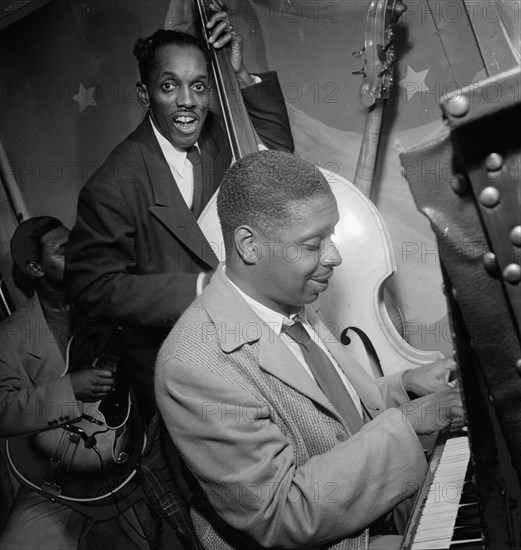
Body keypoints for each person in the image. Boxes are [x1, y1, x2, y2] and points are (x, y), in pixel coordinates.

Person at [154, 150, 463, 550]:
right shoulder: (194, 366)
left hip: (377, 511)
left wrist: (407, 385)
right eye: (313, 243)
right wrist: (409, 421)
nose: (334, 256)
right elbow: (283, 515)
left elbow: (333, 418)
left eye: (330, 236)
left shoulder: (287, 300)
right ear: (249, 245)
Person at [66, 13, 294, 422]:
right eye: (170, 86)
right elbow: (91, 288)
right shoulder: (112, 184)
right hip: (185, 367)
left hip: (256, 347)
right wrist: (200, 286)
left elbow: (278, 164)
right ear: (144, 94)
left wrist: (239, 76)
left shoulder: (218, 132)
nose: (188, 100)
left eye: (199, 86)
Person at [0, 217, 151, 550]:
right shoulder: (10, 336)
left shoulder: (114, 297)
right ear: (36, 269)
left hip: (135, 456)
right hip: (59, 474)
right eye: (64, 250)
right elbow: (3, 412)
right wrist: (68, 390)